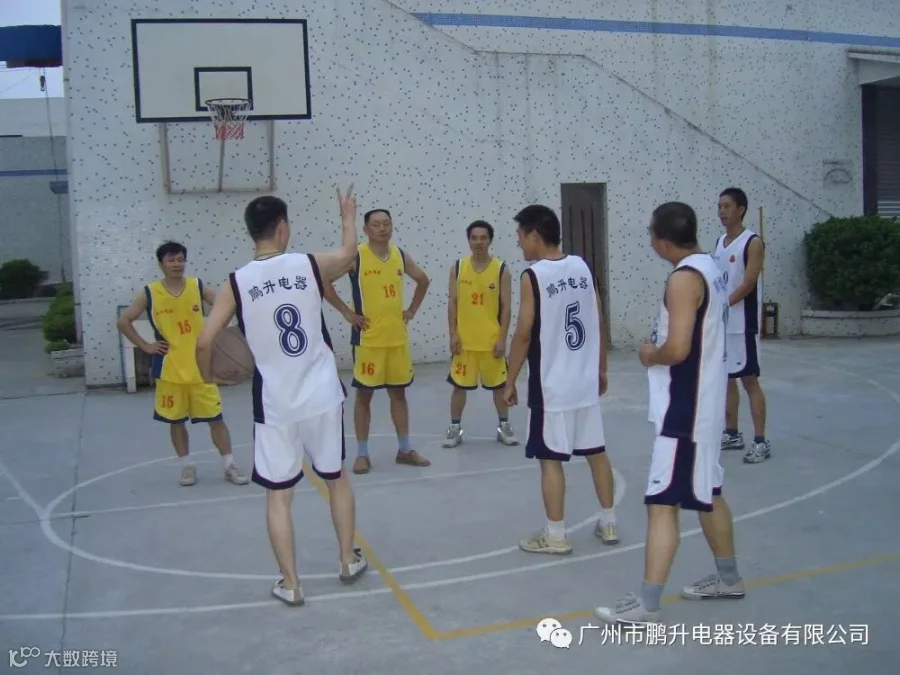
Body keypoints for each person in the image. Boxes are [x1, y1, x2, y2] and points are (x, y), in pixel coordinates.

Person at [195, 186, 368, 607]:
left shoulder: (235, 283)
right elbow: (349, 254)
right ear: (282, 227)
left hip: (275, 403)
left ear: (251, 232)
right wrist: (347, 216)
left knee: (278, 494)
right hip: (322, 395)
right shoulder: (308, 264)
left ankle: (290, 583)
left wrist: (208, 377)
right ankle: (347, 560)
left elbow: (204, 341)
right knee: (336, 479)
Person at [594, 202, 744, 625]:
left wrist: (649, 354)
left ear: (661, 240)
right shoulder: (711, 267)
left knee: (662, 503)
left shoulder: (683, 279)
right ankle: (729, 579)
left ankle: (647, 603)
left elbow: (677, 349)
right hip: (706, 405)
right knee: (709, 492)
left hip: (686, 410)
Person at [503, 205, 619, 552]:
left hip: (552, 384)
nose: (519, 244)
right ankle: (609, 523)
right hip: (584, 382)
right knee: (597, 453)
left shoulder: (533, 276)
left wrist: (510, 379)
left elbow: (523, 333)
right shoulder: (582, 266)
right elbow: (598, 321)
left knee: (550, 460)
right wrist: (601, 368)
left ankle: (555, 535)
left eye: (521, 236)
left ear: (534, 235)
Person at [116, 241, 249, 488]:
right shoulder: (150, 292)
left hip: (202, 368)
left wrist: (216, 333)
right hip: (170, 369)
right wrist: (145, 346)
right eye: (171, 260)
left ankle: (229, 465)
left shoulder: (197, 286)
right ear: (161, 264)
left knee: (216, 419)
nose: (177, 264)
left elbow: (226, 305)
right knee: (176, 421)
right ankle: (187, 465)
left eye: (180, 259)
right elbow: (124, 321)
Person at [322, 208, 431, 474]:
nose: (382, 228)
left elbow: (423, 280)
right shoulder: (356, 256)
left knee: (399, 394)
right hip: (368, 341)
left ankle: (405, 449)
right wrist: (347, 312)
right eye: (376, 224)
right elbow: (324, 281)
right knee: (364, 396)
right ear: (366, 229)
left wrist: (412, 310)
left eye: (386, 224)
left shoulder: (399, 255)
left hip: (396, 339)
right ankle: (362, 454)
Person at [442, 220, 518, 447]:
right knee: (459, 387)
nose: (478, 242)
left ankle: (504, 427)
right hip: (464, 343)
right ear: (468, 240)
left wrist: (502, 339)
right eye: (474, 238)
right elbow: (452, 303)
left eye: (483, 238)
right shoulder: (458, 268)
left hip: (491, 343)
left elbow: (506, 308)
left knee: (499, 387)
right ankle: (455, 428)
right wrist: (453, 334)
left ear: (490, 240)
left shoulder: (501, 270)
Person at [712, 187, 770, 464]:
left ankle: (761, 441)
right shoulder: (720, 242)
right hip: (722, 325)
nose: (721, 211)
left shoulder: (752, 242)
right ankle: (732, 433)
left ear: (741, 210)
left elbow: (748, 283)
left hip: (742, 324)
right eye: (719, 207)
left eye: (726, 206)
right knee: (726, 378)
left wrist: (724, 304)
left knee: (749, 380)